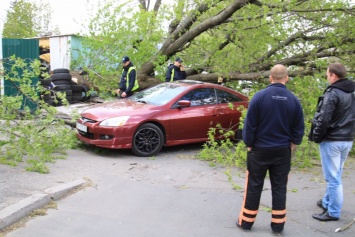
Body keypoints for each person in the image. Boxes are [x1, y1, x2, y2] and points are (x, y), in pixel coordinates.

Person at [237, 64, 305, 235]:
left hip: (259, 150)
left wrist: (249, 143)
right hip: (282, 151)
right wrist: (292, 145)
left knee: (254, 185)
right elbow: (298, 128)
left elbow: (250, 124)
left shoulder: (259, 97)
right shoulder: (293, 100)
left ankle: (246, 222)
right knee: (280, 187)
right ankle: (278, 225)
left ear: (270, 78)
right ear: (286, 78)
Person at [309, 62, 355, 222]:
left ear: (333, 75)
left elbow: (324, 118)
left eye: (327, 74)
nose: (326, 77)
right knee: (336, 173)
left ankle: (333, 212)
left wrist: (316, 136)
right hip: (347, 139)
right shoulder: (352, 92)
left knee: (333, 178)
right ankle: (327, 201)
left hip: (333, 140)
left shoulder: (333, 93)